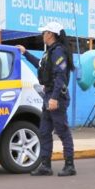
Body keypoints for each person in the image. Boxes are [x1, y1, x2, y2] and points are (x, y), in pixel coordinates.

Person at [16, 21, 76, 177]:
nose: (42, 35)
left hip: (56, 97)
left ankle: (70, 166)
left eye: (44, 32)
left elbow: (60, 76)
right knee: (44, 132)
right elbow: (40, 65)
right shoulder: (49, 52)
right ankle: (45, 166)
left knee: (62, 131)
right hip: (48, 95)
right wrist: (25, 53)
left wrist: (55, 98)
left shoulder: (58, 52)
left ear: (50, 34)